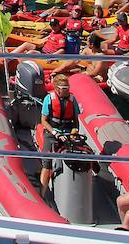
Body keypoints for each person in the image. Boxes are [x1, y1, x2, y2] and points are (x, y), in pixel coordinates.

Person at [37, 73, 83, 201]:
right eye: (63, 89)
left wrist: (74, 131)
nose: (66, 91)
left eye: (67, 88)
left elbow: (75, 120)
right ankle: (42, 194)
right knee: (47, 163)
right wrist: (55, 133)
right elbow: (44, 121)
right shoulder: (49, 99)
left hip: (68, 133)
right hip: (52, 132)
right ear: (57, 89)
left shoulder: (72, 100)